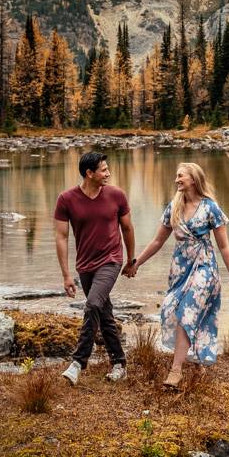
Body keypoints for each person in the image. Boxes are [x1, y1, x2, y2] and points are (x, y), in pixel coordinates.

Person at [125, 161, 229, 389]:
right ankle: (195, 358)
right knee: (172, 307)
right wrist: (136, 262)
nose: (177, 179)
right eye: (176, 176)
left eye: (181, 176)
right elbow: (158, 241)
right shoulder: (173, 207)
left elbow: (224, 247)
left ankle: (175, 370)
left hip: (204, 267)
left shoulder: (211, 208)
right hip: (180, 268)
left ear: (194, 179)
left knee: (188, 310)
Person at [53, 150, 135, 385]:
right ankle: (119, 363)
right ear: (89, 173)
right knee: (103, 313)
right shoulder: (66, 199)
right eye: (103, 170)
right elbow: (61, 237)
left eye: (107, 169)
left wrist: (131, 260)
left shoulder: (117, 195)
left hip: (111, 260)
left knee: (92, 305)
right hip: (85, 265)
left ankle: (78, 362)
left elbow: (128, 229)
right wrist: (66, 275)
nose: (108, 173)